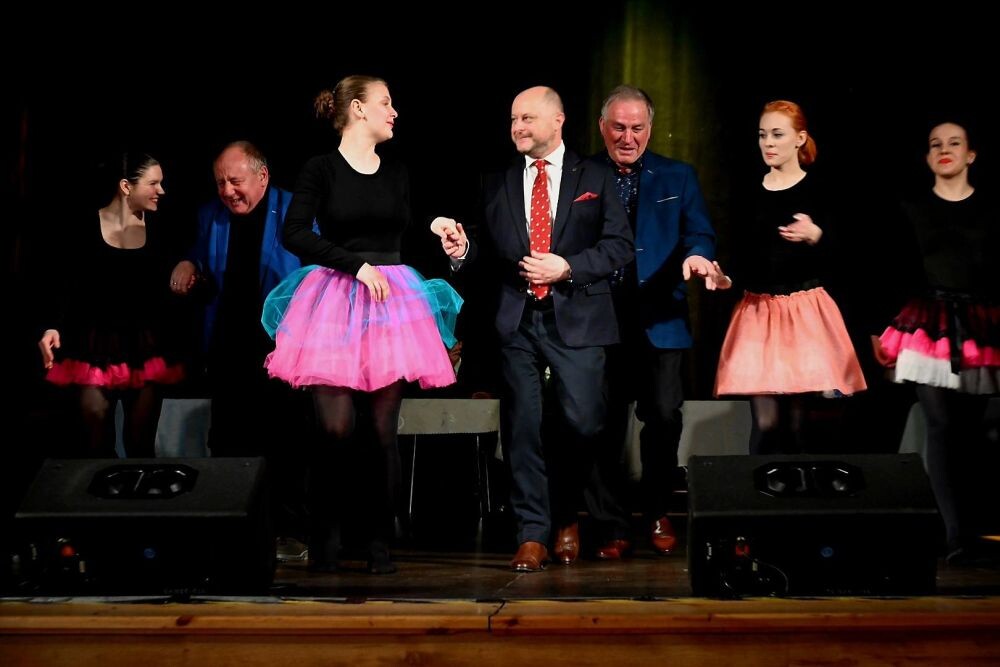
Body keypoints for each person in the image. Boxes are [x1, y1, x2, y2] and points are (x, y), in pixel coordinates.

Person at [263, 75, 462, 574]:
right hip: (336, 297)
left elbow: (408, 223)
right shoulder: (321, 168)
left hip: (390, 304)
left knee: (380, 432)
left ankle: (377, 544)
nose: (394, 112)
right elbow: (294, 232)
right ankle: (326, 535)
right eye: (385, 103)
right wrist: (355, 265)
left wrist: (437, 226)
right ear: (357, 108)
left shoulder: (396, 171)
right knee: (335, 427)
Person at [435, 86, 634, 571]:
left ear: (557, 120)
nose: (517, 127)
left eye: (527, 118)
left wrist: (567, 267)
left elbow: (619, 245)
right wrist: (462, 249)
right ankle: (532, 533)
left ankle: (566, 511)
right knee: (522, 426)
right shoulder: (498, 180)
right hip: (518, 319)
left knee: (584, 422)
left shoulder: (595, 176)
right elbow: (484, 251)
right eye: (513, 119)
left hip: (578, 317)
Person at [585, 85, 729, 560]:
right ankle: (611, 524)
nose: (627, 138)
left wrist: (698, 256)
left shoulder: (677, 175)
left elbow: (699, 232)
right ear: (603, 127)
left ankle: (657, 511)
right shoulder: (582, 172)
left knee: (665, 416)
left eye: (637, 128)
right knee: (602, 424)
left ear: (650, 128)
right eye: (618, 128)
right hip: (599, 318)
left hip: (660, 316)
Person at [169, 141, 311, 553]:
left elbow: (315, 270)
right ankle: (230, 528)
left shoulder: (295, 209)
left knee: (284, 439)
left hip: (282, 346)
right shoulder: (210, 215)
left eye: (235, 181)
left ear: (262, 177)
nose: (227, 191)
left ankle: (289, 530)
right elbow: (199, 255)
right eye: (220, 183)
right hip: (228, 344)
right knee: (228, 439)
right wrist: (189, 263)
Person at [875, 120, 1000, 564]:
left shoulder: (990, 208)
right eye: (935, 145)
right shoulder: (911, 208)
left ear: (971, 154)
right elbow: (891, 267)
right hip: (929, 324)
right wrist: (879, 327)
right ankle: (955, 536)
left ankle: (972, 526)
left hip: (982, 324)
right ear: (928, 158)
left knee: (977, 429)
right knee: (942, 424)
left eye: (954, 143)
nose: (944, 150)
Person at [715, 100, 866, 452]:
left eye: (777, 135)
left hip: (805, 312)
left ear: (799, 138)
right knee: (766, 423)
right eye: (762, 135)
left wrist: (816, 235)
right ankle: (762, 486)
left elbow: (851, 256)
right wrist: (726, 279)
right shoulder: (748, 191)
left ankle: (804, 486)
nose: (768, 142)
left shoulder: (820, 189)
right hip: (759, 313)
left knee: (801, 424)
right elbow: (738, 255)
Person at [38, 152, 183, 457]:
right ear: (126, 186)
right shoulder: (85, 226)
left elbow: (176, 283)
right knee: (95, 444)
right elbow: (65, 283)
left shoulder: (162, 230)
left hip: (144, 348)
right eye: (153, 183)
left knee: (140, 445)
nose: (161, 190)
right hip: (94, 346)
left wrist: (188, 269)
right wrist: (52, 325)